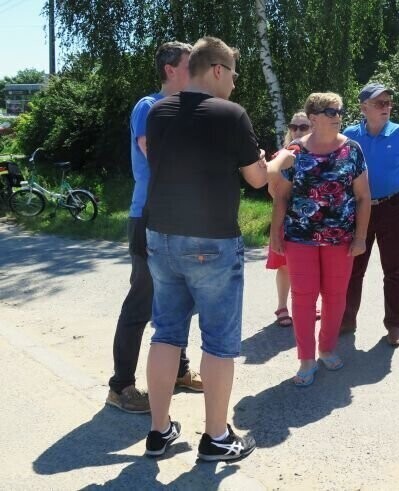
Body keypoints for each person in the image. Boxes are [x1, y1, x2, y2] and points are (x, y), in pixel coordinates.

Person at [142, 36, 267, 461]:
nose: (234, 82)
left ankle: (158, 433)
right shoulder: (230, 114)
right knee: (218, 341)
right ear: (216, 70)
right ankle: (216, 437)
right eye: (233, 72)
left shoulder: (158, 112)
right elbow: (257, 178)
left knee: (166, 333)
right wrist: (278, 160)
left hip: (160, 236)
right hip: (211, 239)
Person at [106, 41, 201, 415]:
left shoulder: (185, 109)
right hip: (149, 215)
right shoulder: (150, 107)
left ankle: (177, 371)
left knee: (180, 297)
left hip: (178, 216)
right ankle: (121, 387)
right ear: (170, 69)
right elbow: (157, 155)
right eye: (189, 64)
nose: (196, 70)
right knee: (142, 300)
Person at [268, 92, 370, 387]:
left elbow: (364, 197)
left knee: (336, 296)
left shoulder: (352, 150)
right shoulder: (295, 151)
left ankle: (326, 348)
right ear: (312, 118)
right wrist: (276, 234)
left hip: (341, 238)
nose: (337, 115)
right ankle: (306, 359)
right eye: (329, 111)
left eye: (339, 110)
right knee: (302, 297)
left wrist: (361, 237)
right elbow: (282, 198)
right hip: (300, 237)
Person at [340, 82, 399, 347]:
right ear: (364, 107)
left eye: (388, 102)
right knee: (353, 267)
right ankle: (346, 319)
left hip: (392, 206)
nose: (387, 107)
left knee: (394, 269)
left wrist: (387, 191)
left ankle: (394, 325)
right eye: (379, 103)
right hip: (358, 208)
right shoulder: (350, 136)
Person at [266, 111, 312, 327]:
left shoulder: (318, 154)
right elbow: (272, 192)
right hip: (286, 219)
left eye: (303, 127)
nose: (297, 131)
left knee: (310, 266)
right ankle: (282, 306)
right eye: (294, 126)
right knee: (285, 266)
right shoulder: (282, 155)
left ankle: (307, 303)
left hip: (310, 220)